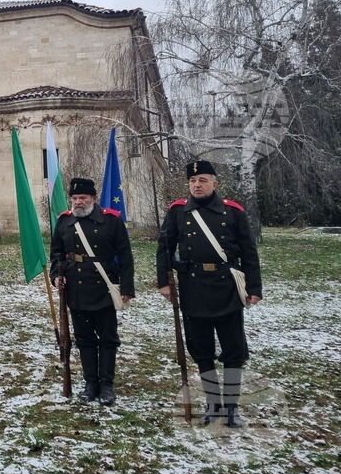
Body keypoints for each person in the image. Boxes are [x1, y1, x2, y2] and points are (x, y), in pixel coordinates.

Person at [156, 160, 263, 429]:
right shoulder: (178, 212)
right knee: (201, 349)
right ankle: (213, 403)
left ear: (215, 184)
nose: (197, 185)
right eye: (193, 181)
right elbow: (164, 247)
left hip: (227, 288)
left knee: (233, 350)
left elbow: (249, 252)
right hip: (193, 288)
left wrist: (254, 288)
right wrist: (164, 282)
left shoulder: (233, 211)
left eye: (202, 180)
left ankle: (232, 407)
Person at [51, 177, 135, 406]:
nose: (78, 202)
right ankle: (90, 384)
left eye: (83, 198)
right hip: (76, 288)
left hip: (104, 287)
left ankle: (106, 385)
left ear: (94, 198)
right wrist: (56, 276)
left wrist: (127, 287)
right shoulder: (64, 221)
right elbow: (56, 255)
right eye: (75, 198)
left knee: (107, 339)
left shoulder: (111, 220)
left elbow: (125, 256)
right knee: (84, 339)